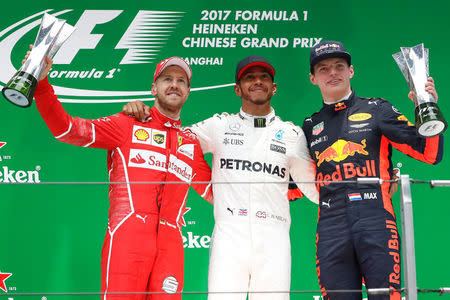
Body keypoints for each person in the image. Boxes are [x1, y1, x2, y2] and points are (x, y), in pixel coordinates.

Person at [123, 55, 319, 300]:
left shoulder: (292, 134)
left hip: (274, 239)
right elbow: (173, 137)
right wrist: (144, 113)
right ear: (237, 89)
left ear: (274, 87)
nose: (257, 82)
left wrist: (354, 190)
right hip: (229, 238)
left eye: (264, 77)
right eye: (250, 77)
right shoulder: (219, 126)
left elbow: (313, 188)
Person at [28, 50, 213, 300]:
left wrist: (283, 187)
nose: (174, 85)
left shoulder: (190, 142)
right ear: (153, 88)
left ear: (188, 92)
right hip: (128, 237)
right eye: (167, 79)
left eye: (182, 81)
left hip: (171, 246)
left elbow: (219, 194)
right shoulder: (127, 124)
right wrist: (41, 85)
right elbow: (67, 129)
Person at [303, 40, 444, 300]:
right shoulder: (310, 126)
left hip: (375, 218)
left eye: (339, 66)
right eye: (323, 69)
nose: (332, 73)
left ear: (351, 71)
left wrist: (428, 106)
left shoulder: (377, 109)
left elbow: (429, 153)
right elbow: (294, 184)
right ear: (313, 78)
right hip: (330, 225)